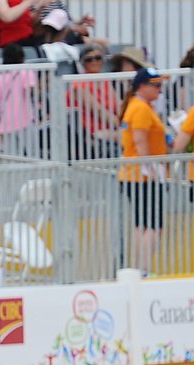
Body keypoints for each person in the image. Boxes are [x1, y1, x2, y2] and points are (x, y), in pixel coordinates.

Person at [119, 67, 169, 275]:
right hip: (143, 175)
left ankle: (142, 269)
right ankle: (144, 269)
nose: (160, 89)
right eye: (155, 85)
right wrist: (152, 169)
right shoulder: (140, 108)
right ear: (142, 86)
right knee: (152, 225)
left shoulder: (140, 106)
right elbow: (140, 141)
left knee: (145, 223)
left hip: (138, 174)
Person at [68, 43, 118, 159]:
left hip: (111, 127)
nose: (94, 61)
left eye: (98, 58)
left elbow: (119, 104)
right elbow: (99, 111)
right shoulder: (79, 84)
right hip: (93, 132)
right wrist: (124, 125)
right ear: (83, 63)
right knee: (132, 134)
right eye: (89, 59)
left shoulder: (104, 80)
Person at [0, 41, 37, 156]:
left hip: (6, 122)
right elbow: (32, 91)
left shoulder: (1, 77)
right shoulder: (26, 72)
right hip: (24, 119)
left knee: (10, 155)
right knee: (33, 153)